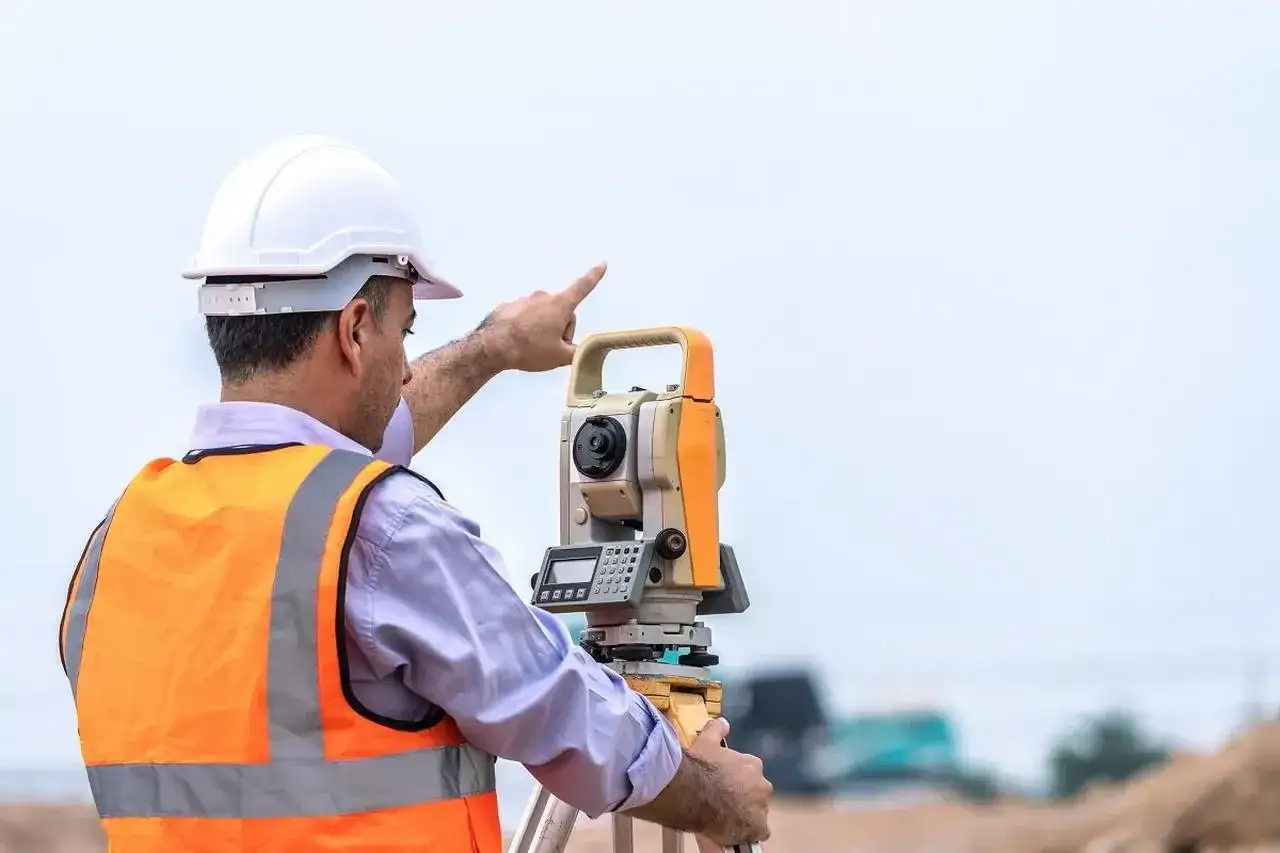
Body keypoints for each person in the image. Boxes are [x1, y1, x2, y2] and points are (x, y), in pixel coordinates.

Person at [57, 135, 772, 852]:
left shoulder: (116, 545)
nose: (405, 368)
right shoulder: (384, 531)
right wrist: (717, 798)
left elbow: (321, 464)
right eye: (405, 329)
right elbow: (566, 716)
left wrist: (492, 347)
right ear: (356, 328)